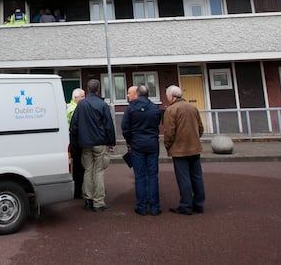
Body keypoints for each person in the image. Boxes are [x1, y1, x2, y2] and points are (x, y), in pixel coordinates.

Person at [69, 79, 116, 212]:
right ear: (98, 89)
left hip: (85, 143)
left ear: (88, 90)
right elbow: (109, 126)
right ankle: (98, 202)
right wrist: (111, 143)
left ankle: (88, 199)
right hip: (99, 142)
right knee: (99, 171)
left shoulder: (81, 105)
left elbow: (74, 126)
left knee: (88, 170)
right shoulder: (102, 105)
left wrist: (75, 143)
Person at [163, 84, 205, 215]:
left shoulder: (170, 110)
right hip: (194, 148)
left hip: (179, 150)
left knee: (183, 178)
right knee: (197, 176)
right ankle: (199, 204)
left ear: (172, 96)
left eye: (167, 95)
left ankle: (186, 205)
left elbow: (169, 132)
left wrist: (168, 145)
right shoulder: (192, 107)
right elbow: (200, 127)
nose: (166, 98)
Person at [121, 85, 162, 216]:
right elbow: (157, 124)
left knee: (139, 176)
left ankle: (142, 206)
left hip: (137, 144)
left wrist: (129, 141)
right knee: (153, 176)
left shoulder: (131, 108)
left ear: (138, 94)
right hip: (152, 144)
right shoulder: (155, 108)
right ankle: (155, 207)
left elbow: (125, 128)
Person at [66, 88, 86, 199]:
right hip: (75, 139)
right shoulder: (74, 109)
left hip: (71, 138)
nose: (84, 99)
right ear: (76, 98)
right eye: (82, 97)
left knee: (77, 166)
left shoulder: (70, 106)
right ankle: (78, 191)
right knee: (79, 167)